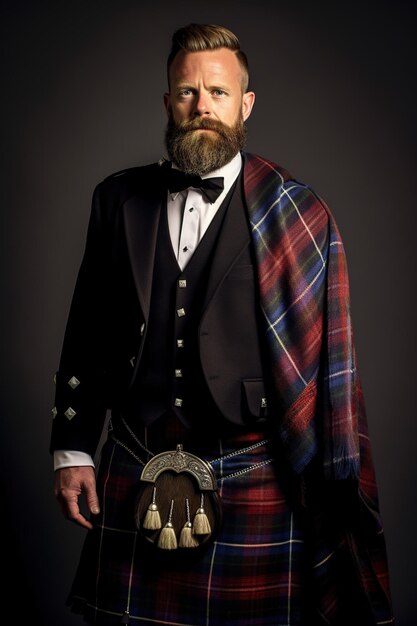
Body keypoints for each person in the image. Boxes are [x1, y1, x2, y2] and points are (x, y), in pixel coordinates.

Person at [51, 23, 394, 626]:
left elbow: (326, 364)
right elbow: (88, 329)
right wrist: (72, 447)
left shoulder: (297, 211)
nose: (202, 107)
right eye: (187, 93)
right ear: (167, 102)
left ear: (246, 104)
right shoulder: (117, 199)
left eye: (218, 92)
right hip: (135, 458)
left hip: (253, 470)